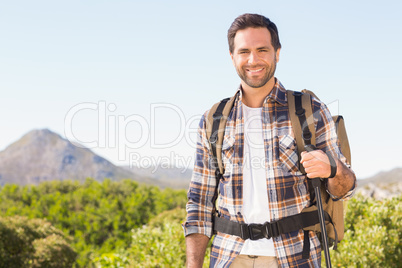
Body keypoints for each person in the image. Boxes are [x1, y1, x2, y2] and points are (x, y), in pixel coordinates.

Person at [183, 13, 356, 268]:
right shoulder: (214, 119)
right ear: (232, 56)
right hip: (229, 258)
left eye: (262, 49)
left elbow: (344, 189)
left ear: (277, 52)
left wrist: (332, 169)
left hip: (296, 257)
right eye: (244, 51)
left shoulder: (309, 110)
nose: (253, 60)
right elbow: (199, 203)